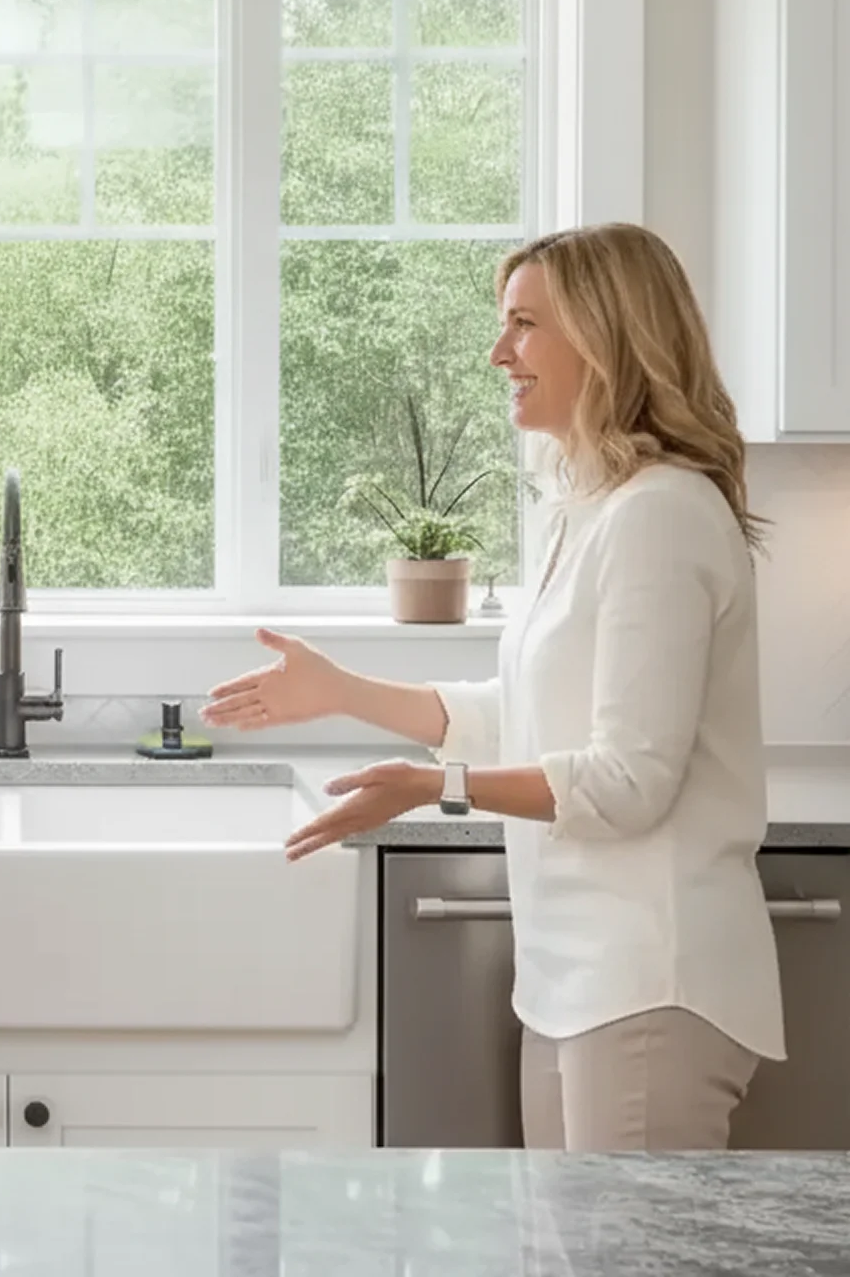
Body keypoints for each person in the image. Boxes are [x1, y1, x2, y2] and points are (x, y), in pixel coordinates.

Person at [202, 222, 784, 1152]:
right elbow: (520, 715)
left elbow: (629, 782)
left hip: (650, 980)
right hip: (577, 983)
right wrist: (343, 689)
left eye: (523, 324)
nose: (497, 352)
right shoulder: (590, 509)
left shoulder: (662, 516)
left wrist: (438, 789)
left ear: (606, 337)